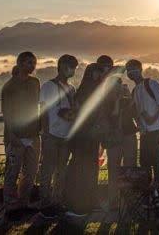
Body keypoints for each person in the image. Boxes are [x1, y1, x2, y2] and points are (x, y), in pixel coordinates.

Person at [1, 51, 41, 222]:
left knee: (30, 173)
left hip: (33, 134)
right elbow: (6, 112)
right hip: (15, 135)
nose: (32, 66)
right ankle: (11, 207)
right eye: (28, 62)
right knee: (12, 172)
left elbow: (37, 107)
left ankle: (23, 204)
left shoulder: (35, 82)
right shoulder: (9, 86)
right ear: (19, 64)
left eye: (34, 63)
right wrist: (11, 135)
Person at [38, 54, 79, 219]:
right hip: (52, 134)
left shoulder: (71, 89)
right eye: (71, 67)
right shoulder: (48, 86)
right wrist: (45, 131)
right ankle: (45, 203)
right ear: (61, 66)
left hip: (66, 134)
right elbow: (43, 109)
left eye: (74, 67)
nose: (73, 70)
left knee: (61, 170)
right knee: (47, 169)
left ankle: (57, 201)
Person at [65, 63, 106, 219]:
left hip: (86, 136)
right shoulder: (91, 92)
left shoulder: (85, 91)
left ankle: (82, 204)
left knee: (85, 169)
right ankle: (84, 203)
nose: (99, 76)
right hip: (86, 136)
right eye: (97, 72)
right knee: (85, 169)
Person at [126, 59, 159, 200]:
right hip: (145, 131)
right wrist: (139, 122)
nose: (130, 72)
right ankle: (149, 189)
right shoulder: (134, 90)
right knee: (145, 161)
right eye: (128, 69)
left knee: (156, 159)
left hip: (157, 128)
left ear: (140, 69)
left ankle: (158, 189)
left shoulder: (151, 83)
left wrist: (152, 118)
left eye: (132, 68)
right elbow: (136, 111)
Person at [102, 63, 138, 208]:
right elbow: (113, 116)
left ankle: (128, 199)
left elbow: (134, 113)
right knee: (113, 169)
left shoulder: (125, 99)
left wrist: (129, 98)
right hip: (114, 138)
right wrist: (117, 100)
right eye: (116, 85)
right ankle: (113, 200)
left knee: (130, 167)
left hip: (129, 135)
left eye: (120, 84)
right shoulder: (106, 101)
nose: (119, 87)